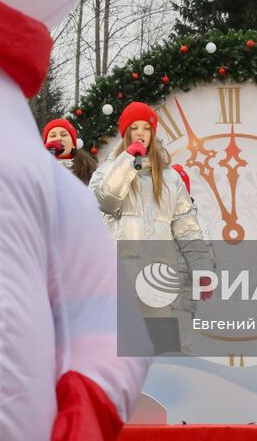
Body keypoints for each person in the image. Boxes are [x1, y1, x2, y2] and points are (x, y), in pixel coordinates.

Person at [91, 102, 213, 347]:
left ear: (153, 133)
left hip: (157, 281)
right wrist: (127, 161)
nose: (140, 133)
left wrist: (202, 268)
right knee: (123, 354)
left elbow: (186, 227)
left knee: (158, 356)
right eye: (133, 128)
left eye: (145, 128)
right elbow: (105, 201)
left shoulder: (170, 178)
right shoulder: (107, 171)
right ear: (126, 134)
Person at [43, 117, 96, 184]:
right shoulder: (40, 169)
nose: (58, 138)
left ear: (73, 144)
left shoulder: (87, 166)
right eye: (53, 136)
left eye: (64, 135)